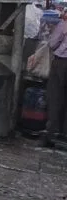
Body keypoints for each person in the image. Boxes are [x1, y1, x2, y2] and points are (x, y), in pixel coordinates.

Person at [45, 9, 67, 146]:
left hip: (62, 63)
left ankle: (52, 132)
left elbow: (52, 43)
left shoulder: (64, 25)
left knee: (55, 96)